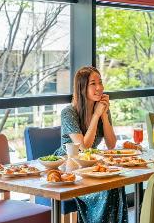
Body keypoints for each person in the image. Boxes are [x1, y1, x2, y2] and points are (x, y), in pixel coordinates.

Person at [55, 66, 128, 223]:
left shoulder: (101, 109)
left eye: (100, 82)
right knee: (107, 188)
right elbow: (83, 147)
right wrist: (96, 115)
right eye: (93, 84)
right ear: (82, 88)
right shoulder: (68, 113)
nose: (99, 88)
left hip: (89, 165)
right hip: (69, 167)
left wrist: (104, 116)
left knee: (116, 183)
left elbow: (111, 144)